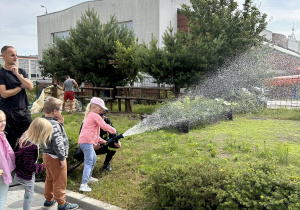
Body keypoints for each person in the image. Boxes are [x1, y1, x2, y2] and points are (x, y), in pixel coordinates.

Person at [41, 96, 79, 210]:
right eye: (60, 109)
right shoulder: (54, 125)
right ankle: (62, 204)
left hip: (46, 155)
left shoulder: (44, 122)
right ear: (54, 111)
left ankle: (49, 200)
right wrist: (62, 158)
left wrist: (61, 124)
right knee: (60, 181)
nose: (62, 111)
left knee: (50, 178)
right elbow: (58, 142)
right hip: (56, 157)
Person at [78, 97, 117, 192]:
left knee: (93, 159)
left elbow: (93, 133)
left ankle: (89, 177)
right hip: (86, 142)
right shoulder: (94, 115)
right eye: (100, 109)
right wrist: (113, 130)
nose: (101, 112)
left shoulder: (91, 115)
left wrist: (101, 140)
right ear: (94, 107)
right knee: (89, 162)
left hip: (86, 142)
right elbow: (104, 126)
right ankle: (84, 184)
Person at [14, 118, 53, 210]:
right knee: (29, 194)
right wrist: (42, 167)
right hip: (26, 174)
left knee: (28, 193)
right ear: (40, 133)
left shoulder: (26, 135)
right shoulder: (31, 146)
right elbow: (29, 165)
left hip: (20, 169)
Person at [0, 46, 33, 150]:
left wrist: (18, 75)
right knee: (10, 142)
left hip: (24, 110)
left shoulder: (21, 71)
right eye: (12, 55)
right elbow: (4, 93)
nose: (15, 57)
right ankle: (11, 165)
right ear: (4, 56)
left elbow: (30, 86)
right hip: (9, 111)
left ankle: (26, 163)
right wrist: (20, 87)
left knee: (29, 140)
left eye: (16, 55)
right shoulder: (1, 73)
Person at [0, 110, 15, 209]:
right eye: (0, 121)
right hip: (1, 172)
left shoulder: (2, 135)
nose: (3, 123)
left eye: (4, 120)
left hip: (4, 170)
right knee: (1, 197)